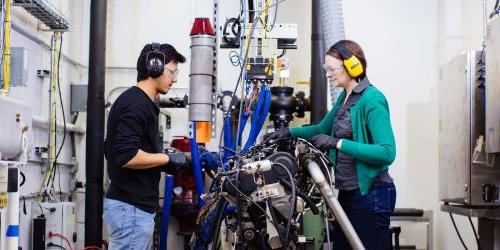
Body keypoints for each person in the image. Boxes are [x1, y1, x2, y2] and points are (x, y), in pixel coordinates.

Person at [264, 40, 396, 249]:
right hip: (349, 194)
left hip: (372, 195)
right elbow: (320, 129)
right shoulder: (346, 98)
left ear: (353, 66)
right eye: (326, 69)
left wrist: (338, 143)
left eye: (332, 68)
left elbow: (387, 152)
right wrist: (288, 132)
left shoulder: (372, 99)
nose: (327, 74)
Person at [103, 43, 187, 249]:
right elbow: (127, 155)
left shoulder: (140, 102)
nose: (175, 79)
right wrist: (167, 159)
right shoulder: (136, 104)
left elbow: (119, 149)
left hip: (132, 209)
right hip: (130, 210)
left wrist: (163, 160)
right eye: (172, 71)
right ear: (155, 67)